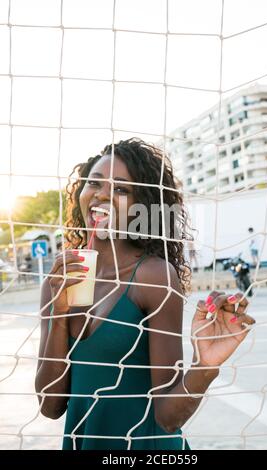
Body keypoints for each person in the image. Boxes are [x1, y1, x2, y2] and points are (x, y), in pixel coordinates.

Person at [35, 138, 255, 450]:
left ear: (142, 207)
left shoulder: (154, 276)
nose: (102, 194)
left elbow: (167, 417)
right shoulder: (59, 281)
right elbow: (50, 406)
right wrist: (59, 314)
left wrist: (205, 366)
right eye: (94, 182)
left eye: (121, 189)